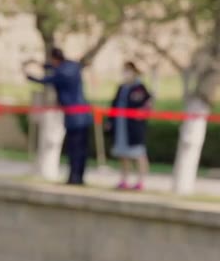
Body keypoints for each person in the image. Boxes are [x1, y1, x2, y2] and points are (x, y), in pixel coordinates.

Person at [24, 47, 94, 185]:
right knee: (82, 148)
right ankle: (79, 176)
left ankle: (74, 177)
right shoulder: (73, 66)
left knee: (74, 148)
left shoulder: (61, 73)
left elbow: (45, 80)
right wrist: (39, 63)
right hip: (84, 113)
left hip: (74, 115)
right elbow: (54, 66)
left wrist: (28, 76)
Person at [108, 61, 153, 190]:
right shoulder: (122, 87)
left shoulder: (140, 87)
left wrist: (143, 113)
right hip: (121, 124)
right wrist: (110, 121)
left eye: (128, 71)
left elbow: (148, 103)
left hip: (134, 126)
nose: (125, 74)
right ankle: (124, 180)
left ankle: (141, 181)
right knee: (123, 155)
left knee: (138, 154)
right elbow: (114, 105)